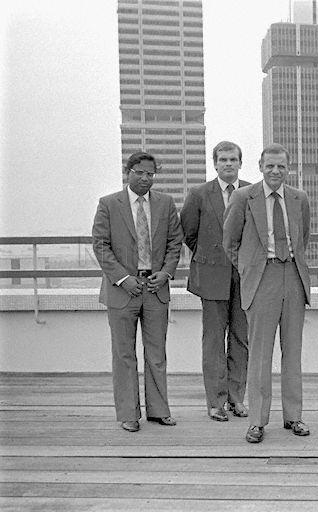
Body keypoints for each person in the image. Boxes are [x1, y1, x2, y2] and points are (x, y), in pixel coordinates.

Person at [223, 143, 312, 444]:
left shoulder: (299, 199)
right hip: (263, 278)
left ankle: (293, 417)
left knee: (293, 352)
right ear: (260, 166)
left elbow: (304, 239)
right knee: (260, 354)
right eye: (270, 165)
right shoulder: (242, 197)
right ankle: (257, 421)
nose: (276, 171)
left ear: (289, 168)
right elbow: (230, 242)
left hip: (293, 279)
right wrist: (250, 270)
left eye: (281, 166)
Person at [92, 151, 183, 432]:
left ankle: (158, 410)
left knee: (156, 353)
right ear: (128, 172)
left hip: (156, 288)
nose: (145, 178)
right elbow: (101, 245)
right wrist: (122, 278)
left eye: (150, 174)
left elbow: (175, 243)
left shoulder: (166, 204)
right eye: (140, 173)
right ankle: (128, 414)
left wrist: (166, 273)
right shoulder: (108, 204)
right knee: (124, 354)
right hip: (123, 291)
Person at [180, 141, 250, 422]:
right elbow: (189, 233)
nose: (228, 164)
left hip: (245, 276)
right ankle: (216, 402)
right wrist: (213, 257)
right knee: (213, 340)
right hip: (211, 277)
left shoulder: (251, 192)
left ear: (240, 163)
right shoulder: (199, 194)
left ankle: (237, 399)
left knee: (240, 338)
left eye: (233, 159)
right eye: (223, 159)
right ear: (215, 163)